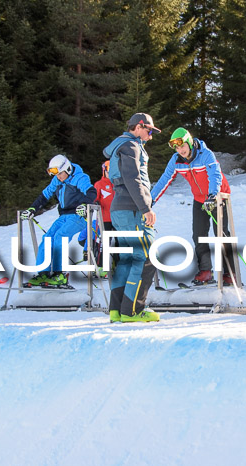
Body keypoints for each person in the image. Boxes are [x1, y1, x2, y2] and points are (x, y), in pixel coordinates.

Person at [151, 127, 235, 285]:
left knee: (221, 235)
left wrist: (213, 195)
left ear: (189, 143)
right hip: (199, 199)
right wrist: (151, 200)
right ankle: (205, 271)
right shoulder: (176, 160)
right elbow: (165, 179)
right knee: (198, 234)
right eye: (176, 147)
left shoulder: (205, 154)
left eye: (182, 146)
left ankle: (229, 273)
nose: (180, 150)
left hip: (218, 196)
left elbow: (215, 174)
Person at [103, 112, 161, 323]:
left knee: (127, 259)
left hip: (119, 209)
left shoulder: (121, 146)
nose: (151, 135)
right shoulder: (131, 146)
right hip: (132, 209)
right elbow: (133, 178)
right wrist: (146, 208)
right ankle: (133, 310)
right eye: (149, 130)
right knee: (146, 257)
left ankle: (117, 310)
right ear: (138, 126)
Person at [20, 154, 97, 287]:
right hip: (63, 216)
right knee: (47, 238)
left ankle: (59, 274)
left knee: (60, 237)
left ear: (67, 169)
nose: (58, 177)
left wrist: (84, 205)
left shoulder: (80, 177)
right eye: (56, 174)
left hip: (78, 216)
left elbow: (91, 192)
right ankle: (43, 273)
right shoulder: (57, 180)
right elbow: (45, 195)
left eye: (60, 173)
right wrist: (32, 209)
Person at [77, 160, 115, 277]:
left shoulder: (120, 183)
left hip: (119, 218)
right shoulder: (99, 184)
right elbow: (93, 197)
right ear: (104, 171)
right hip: (104, 218)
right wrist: (94, 202)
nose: (111, 173)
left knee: (120, 243)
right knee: (103, 243)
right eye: (109, 170)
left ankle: (118, 266)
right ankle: (100, 267)